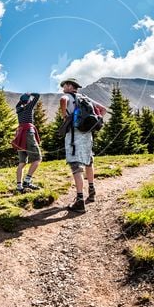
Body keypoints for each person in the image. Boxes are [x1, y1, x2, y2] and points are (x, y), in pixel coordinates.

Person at [59, 78, 107, 212]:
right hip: (87, 135)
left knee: (76, 166)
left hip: (74, 135)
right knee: (89, 162)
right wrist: (95, 122)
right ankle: (92, 192)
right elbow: (103, 110)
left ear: (69, 86)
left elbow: (63, 100)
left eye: (64, 85)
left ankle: (80, 201)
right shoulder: (85, 98)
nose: (63, 88)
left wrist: (64, 116)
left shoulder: (67, 96)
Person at [12, 92, 42, 193]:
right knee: (37, 159)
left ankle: (19, 186)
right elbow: (37, 96)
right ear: (28, 101)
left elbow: (18, 104)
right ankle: (27, 181)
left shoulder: (18, 109)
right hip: (28, 134)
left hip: (19, 136)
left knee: (22, 162)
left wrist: (24, 98)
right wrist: (30, 93)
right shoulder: (28, 108)